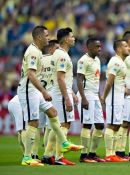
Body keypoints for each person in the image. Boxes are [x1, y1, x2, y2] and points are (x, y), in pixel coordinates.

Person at [17, 26, 83, 166]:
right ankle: (27, 157)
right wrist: (44, 91)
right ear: (39, 37)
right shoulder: (34, 52)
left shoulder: (39, 52)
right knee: (33, 122)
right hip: (29, 91)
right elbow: (30, 74)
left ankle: (64, 143)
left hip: (35, 91)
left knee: (53, 113)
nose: (49, 38)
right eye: (46, 35)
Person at [50, 27, 79, 165]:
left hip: (60, 92)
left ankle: (49, 155)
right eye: (72, 36)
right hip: (61, 94)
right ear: (66, 39)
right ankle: (59, 157)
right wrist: (67, 97)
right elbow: (60, 78)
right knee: (64, 124)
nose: (74, 39)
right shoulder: (62, 55)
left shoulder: (57, 53)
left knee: (57, 125)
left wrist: (71, 93)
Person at [101, 40, 130, 162]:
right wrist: (104, 96)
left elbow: (117, 81)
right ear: (118, 49)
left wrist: (124, 89)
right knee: (112, 125)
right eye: (125, 46)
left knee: (117, 125)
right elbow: (109, 81)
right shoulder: (115, 61)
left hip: (119, 97)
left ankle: (113, 153)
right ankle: (109, 154)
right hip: (113, 98)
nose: (128, 48)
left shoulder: (121, 62)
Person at [77, 38, 105, 163]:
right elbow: (79, 79)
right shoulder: (83, 60)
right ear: (89, 47)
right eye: (96, 47)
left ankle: (92, 154)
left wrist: (99, 95)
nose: (99, 49)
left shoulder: (97, 60)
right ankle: (84, 156)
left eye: (100, 46)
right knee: (87, 125)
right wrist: (83, 98)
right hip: (86, 94)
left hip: (94, 94)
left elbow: (95, 79)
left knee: (100, 125)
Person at [39, 40, 60, 164]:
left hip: (37, 94)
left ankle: (34, 154)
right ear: (51, 49)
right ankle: (48, 155)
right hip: (49, 94)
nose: (59, 51)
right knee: (50, 125)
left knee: (37, 126)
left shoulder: (39, 59)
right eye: (57, 48)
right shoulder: (56, 60)